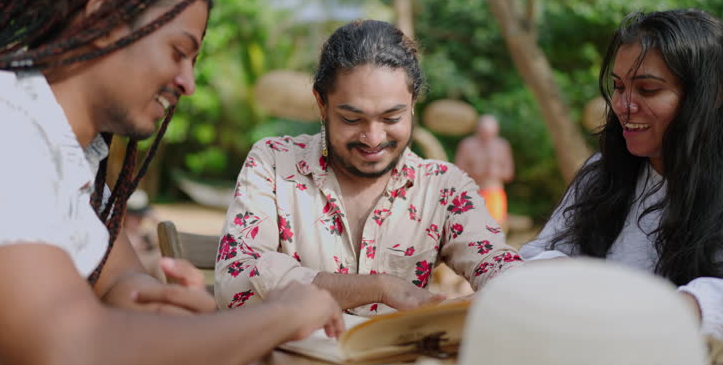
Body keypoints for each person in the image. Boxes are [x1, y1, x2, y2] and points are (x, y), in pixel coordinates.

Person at [0, 0, 342, 365]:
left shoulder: (74, 158)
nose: (188, 83)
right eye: (177, 51)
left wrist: (156, 304)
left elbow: (121, 282)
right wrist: (280, 315)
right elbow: (64, 362)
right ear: (101, 20)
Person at [519, 9, 723, 343]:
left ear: (714, 94)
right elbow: (542, 258)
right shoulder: (602, 174)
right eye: (618, 87)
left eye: (648, 89)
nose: (623, 105)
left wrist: (668, 308)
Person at [216, 20, 523, 315]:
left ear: (413, 104)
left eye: (392, 118)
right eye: (352, 119)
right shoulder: (274, 163)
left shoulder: (444, 187)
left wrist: (515, 289)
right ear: (321, 104)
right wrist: (377, 287)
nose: (374, 139)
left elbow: (495, 261)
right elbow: (235, 285)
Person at [455, 114, 514, 226]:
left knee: (494, 230)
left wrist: (496, 172)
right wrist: (474, 172)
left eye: (490, 134)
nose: (486, 138)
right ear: (478, 130)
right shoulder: (467, 145)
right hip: (472, 192)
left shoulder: (502, 145)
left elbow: (509, 174)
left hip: (494, 193)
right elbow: (457, 172)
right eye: (484, 133)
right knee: (471, 229)